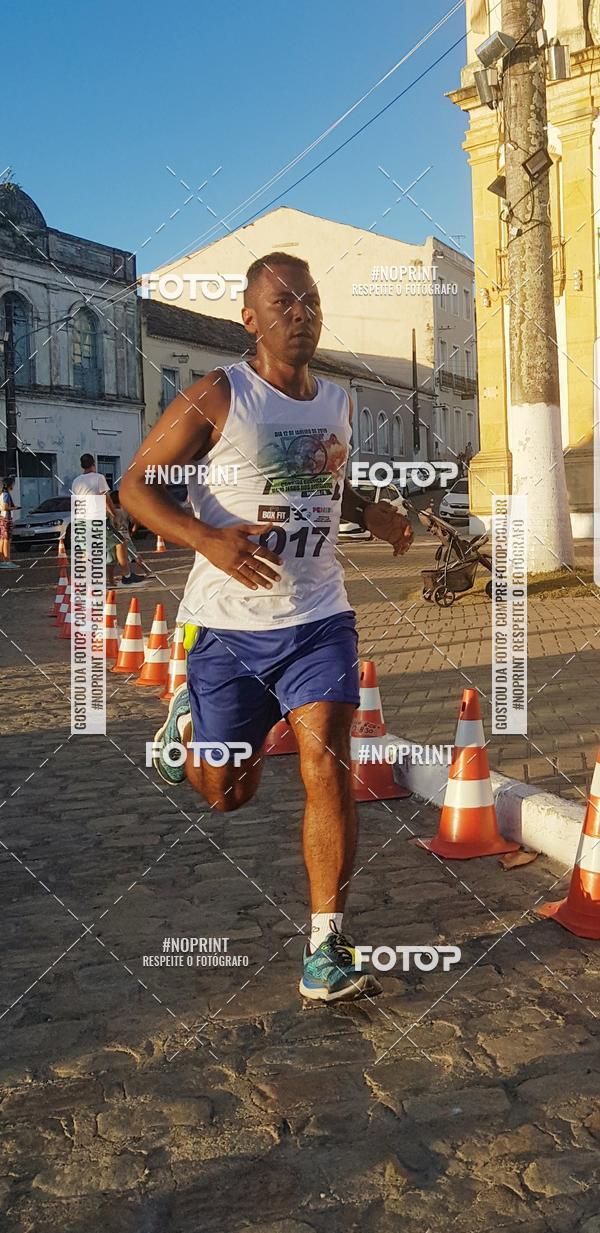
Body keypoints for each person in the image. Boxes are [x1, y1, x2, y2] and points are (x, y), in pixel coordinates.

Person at [121, 252, 413, 1004]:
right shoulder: (219, 396)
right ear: (249, 318)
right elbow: (135, 487)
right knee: (227, 792)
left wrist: (368, 510)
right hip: (227, 629)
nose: (301, 311)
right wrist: (205, 538)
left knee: (329, 762)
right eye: (283, 301)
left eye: (310, 299)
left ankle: (326, 946)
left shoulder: (339, 402)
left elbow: (329, 476)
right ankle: (187, 722)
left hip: (319, 617)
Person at [0, 476, 19, 568]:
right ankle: (7, 560)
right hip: (6, 518)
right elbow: (5, 507)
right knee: (7, 540)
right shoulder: (6, 494)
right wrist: (14, 508)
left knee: (3, 539)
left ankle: (3, 560)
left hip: (2, 518)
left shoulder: (2, 494)